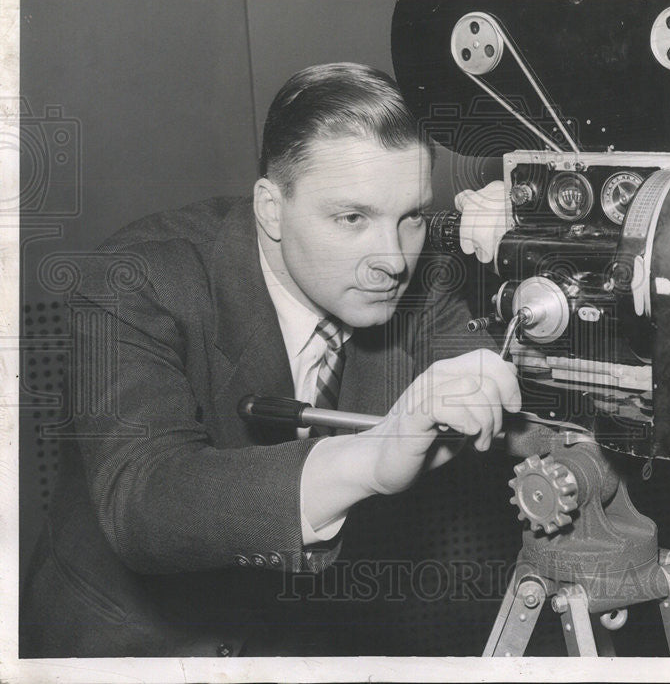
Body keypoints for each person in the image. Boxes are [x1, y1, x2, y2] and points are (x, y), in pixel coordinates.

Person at [20, 63, 516, 657]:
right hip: (134, 645)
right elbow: (143, 502)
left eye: (410, 216)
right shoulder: (134, 280)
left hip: (297, 636)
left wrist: (537, 250)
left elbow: (527, 405)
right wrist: (370, 460)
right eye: (352, 218)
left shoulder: (420, 281)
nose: (392, 259)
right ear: (271, 208)